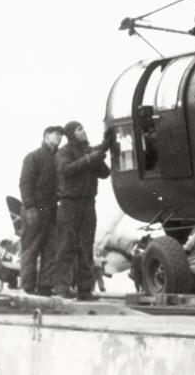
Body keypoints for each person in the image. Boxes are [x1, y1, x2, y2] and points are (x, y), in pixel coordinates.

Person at [52, 122, 110, 300]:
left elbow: (105, 173)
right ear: (71, 133)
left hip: (88, 204)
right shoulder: (64, 152)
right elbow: (66, 170)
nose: (84, 131)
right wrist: (91, 158)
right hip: (70, 204)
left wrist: (101, 151)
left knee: (86, 247)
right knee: (66, 246)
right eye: (79, 129)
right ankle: (61, 288)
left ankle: (85, 289)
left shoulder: (88, 151)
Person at [18, 125, 64, 295]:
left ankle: (45, 286)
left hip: (51, 210)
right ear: (46, 136)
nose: (59, 137)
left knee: (50, 248)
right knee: (31, 248)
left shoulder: (59, 159)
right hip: (35, 209)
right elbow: (25, 183)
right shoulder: (33, 157)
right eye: (56, 134)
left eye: (61, 135)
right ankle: (28, 287)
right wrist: (29, 207)